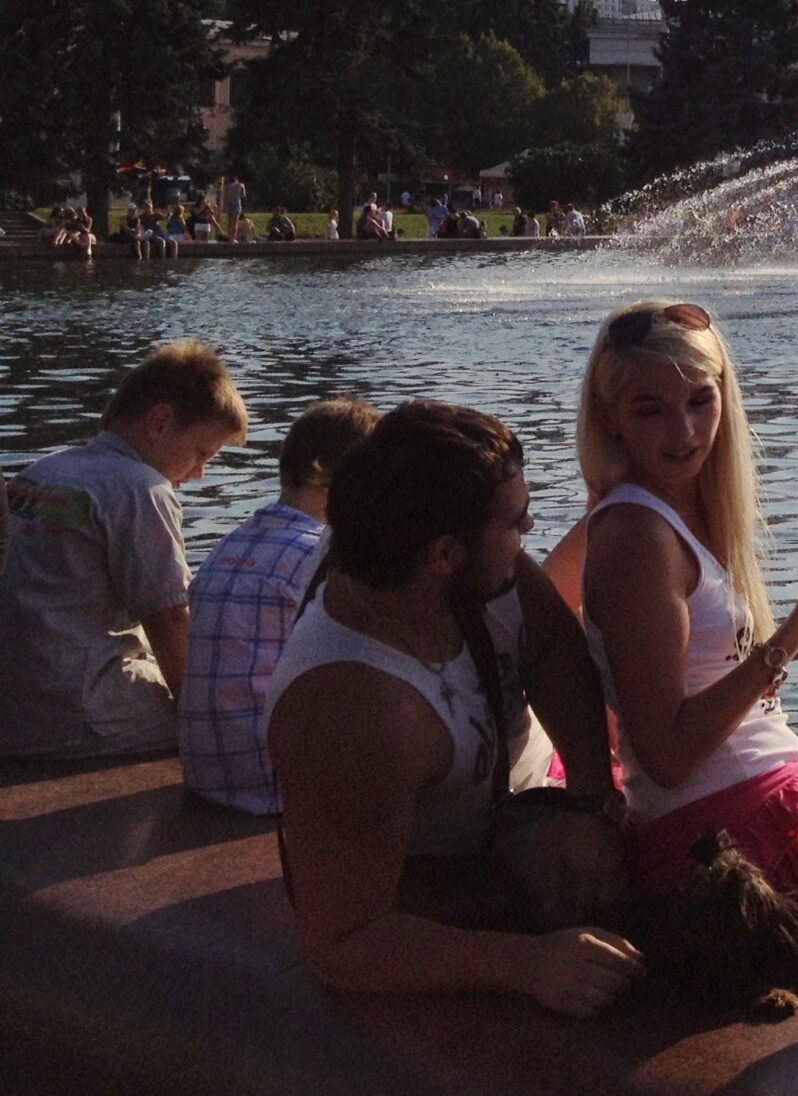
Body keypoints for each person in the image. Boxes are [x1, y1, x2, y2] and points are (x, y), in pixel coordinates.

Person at [263, 401, 639, 1016]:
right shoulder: (350, 713)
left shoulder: (443, 553)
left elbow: (549, 647)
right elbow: (340, 943)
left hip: (522, 808)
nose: (531, 531)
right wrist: (529, 965)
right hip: (431, 882)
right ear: (442, 556)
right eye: (516, 524)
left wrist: (591, 803)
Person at [568, 300, 798, 935]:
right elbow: (669, 756)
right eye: (651, 410)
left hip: (758, 807)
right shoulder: (639, 539)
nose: (683, 432)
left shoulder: (682, 510)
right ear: (611, 419)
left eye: (700, 401)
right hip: (728, 842)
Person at [0, 341, 250, 758]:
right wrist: (203, 724)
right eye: (201, 453)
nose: (200, 472)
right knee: (246, 719)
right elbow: (170, 618)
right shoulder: (141, 489)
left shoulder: (42, 471)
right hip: (84, 715)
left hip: (15, 710)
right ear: (160, 422)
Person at [179, 398, 380, 812]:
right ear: (322, 474)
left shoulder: (231, 543)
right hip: (276, 784)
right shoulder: (324, 555)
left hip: (208, 772)